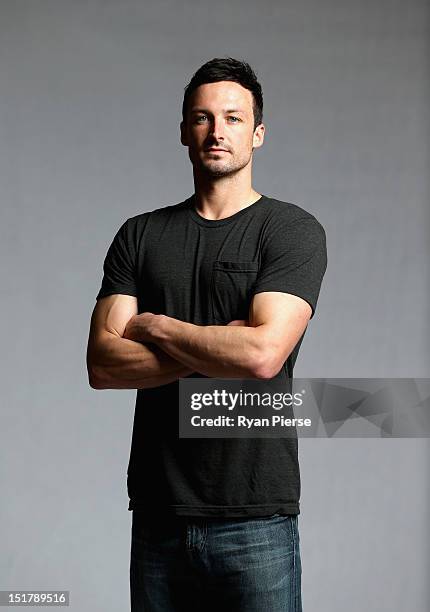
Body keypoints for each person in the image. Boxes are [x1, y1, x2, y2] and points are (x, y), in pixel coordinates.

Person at [86, 56, 327, 612]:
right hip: (158, 515)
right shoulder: (140, 235)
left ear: (258, 133)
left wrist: (158, 327)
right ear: (183, 131)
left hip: (255, 517)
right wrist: (224, 347)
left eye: (234, 118)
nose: (217, 131)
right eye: (202, 117)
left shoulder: (289, 229)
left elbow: (264, 355)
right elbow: (103, 365)